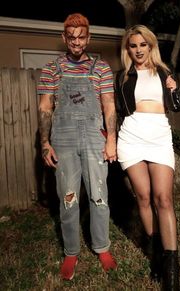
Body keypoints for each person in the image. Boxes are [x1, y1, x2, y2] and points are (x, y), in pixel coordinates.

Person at [37, 13, 117, 280]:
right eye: (71, 37)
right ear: (64, 38)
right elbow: (45, 107)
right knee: (69, 199)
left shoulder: (102, 68)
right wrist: (45, 143)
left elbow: (108, 105)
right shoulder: (51, 69)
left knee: (99, 196)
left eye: (81, 37)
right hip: (64, 138)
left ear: (88, 37)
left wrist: (111, 139)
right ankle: (71, 252)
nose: (76, 42)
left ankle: (101, 247)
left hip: (95, 137)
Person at [115, 25, 180, 290]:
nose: (139, 50)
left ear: (150, 46)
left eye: (143, 44)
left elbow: (177, 105)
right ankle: (155, 255)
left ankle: (172, 274)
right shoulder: (123, 77)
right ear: (127, 49)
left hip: (158, 136)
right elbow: (119, 109)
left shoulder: (165, 71)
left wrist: (174, 89)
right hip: (131, 136)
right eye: (133, 45)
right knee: (142, 197)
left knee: (163, 199)